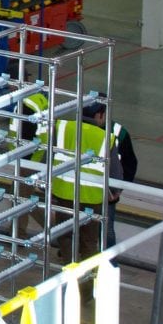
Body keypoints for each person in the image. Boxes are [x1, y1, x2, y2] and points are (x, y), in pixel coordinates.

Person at [51, 95, 118, 260]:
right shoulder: (105, 137)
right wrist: (113, 193)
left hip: (64, 194)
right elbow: (116, 173)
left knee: (66, 237)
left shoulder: (63, 127)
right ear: (100, 115)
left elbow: (49, 158)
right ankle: (86, 283)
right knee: (89, 242)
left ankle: (69, 274)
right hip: (91, 199)